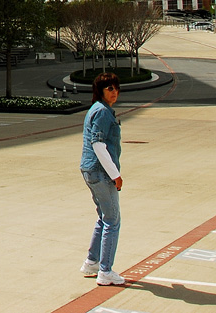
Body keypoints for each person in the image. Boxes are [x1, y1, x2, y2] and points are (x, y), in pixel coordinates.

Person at [79, 72, 126, 286]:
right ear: (100, 91)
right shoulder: (102, 112)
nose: (114, 92)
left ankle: (92, 262)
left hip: (91, 171)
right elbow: (98, 145)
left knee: (103, 217)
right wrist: (115, 175)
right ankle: (105, 271)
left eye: (116, 88)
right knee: (112, 220)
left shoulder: (98, 110)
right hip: (101, 173)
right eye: (110, 88)